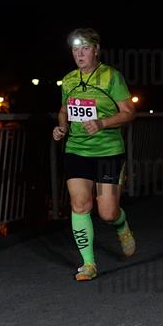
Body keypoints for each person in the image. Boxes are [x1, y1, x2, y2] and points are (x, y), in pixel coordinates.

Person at [53, 28, 137, 281]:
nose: (79, 54)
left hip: (108, 151)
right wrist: (62, 127)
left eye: (85, 48)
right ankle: (88, 264)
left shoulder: (111, 77)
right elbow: (63, 111)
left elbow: (129, 113)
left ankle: (121, 224)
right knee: (79, 205)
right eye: (75, 49)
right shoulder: (69, 80)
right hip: (77, 149)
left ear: (96, 50)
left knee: (107, 212)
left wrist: (102, 123)